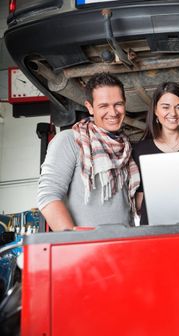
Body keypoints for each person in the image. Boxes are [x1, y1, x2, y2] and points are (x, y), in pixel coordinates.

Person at [37, 72, 140, 231]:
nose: (113, 112)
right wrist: (74, 241)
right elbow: (48, 197)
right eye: (103, 106)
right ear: (90, 107)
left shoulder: (125, 146)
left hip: (124, 244)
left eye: (118, 104)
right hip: (87, 249)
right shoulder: (70, 140)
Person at [132, 82, 179, 225]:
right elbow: (139, 201)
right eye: (165, 107)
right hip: (155, 229)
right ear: (156, 111)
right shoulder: (140, 150)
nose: (173, 113)